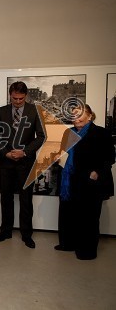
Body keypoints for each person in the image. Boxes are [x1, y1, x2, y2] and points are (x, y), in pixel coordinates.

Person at [0, 81, 46, 248]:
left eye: (21, 99)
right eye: (15, 98)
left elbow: (41, 136)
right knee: (5, 197)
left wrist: (24, 152)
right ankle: (6, 231)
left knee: (26, 199)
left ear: (26, 96)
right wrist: (6, 152)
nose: (17, 102)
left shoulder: (34, 111)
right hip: (6, 162)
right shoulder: (2, 111)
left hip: (26, 162)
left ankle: (26, 234)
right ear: (10, 95)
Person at [55, 104, 114, 260]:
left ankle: (87, 251)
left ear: (89, 115)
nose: (76, 117)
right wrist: (58, 159)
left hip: (90, 183)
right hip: (70, 182)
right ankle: (68, 244)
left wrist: (97, 172)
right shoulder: (68, 133)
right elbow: (63, 156)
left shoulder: (101, 133)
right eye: (73, 115)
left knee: (89, 218)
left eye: (80, 114)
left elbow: (109, 157)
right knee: (70, 215)